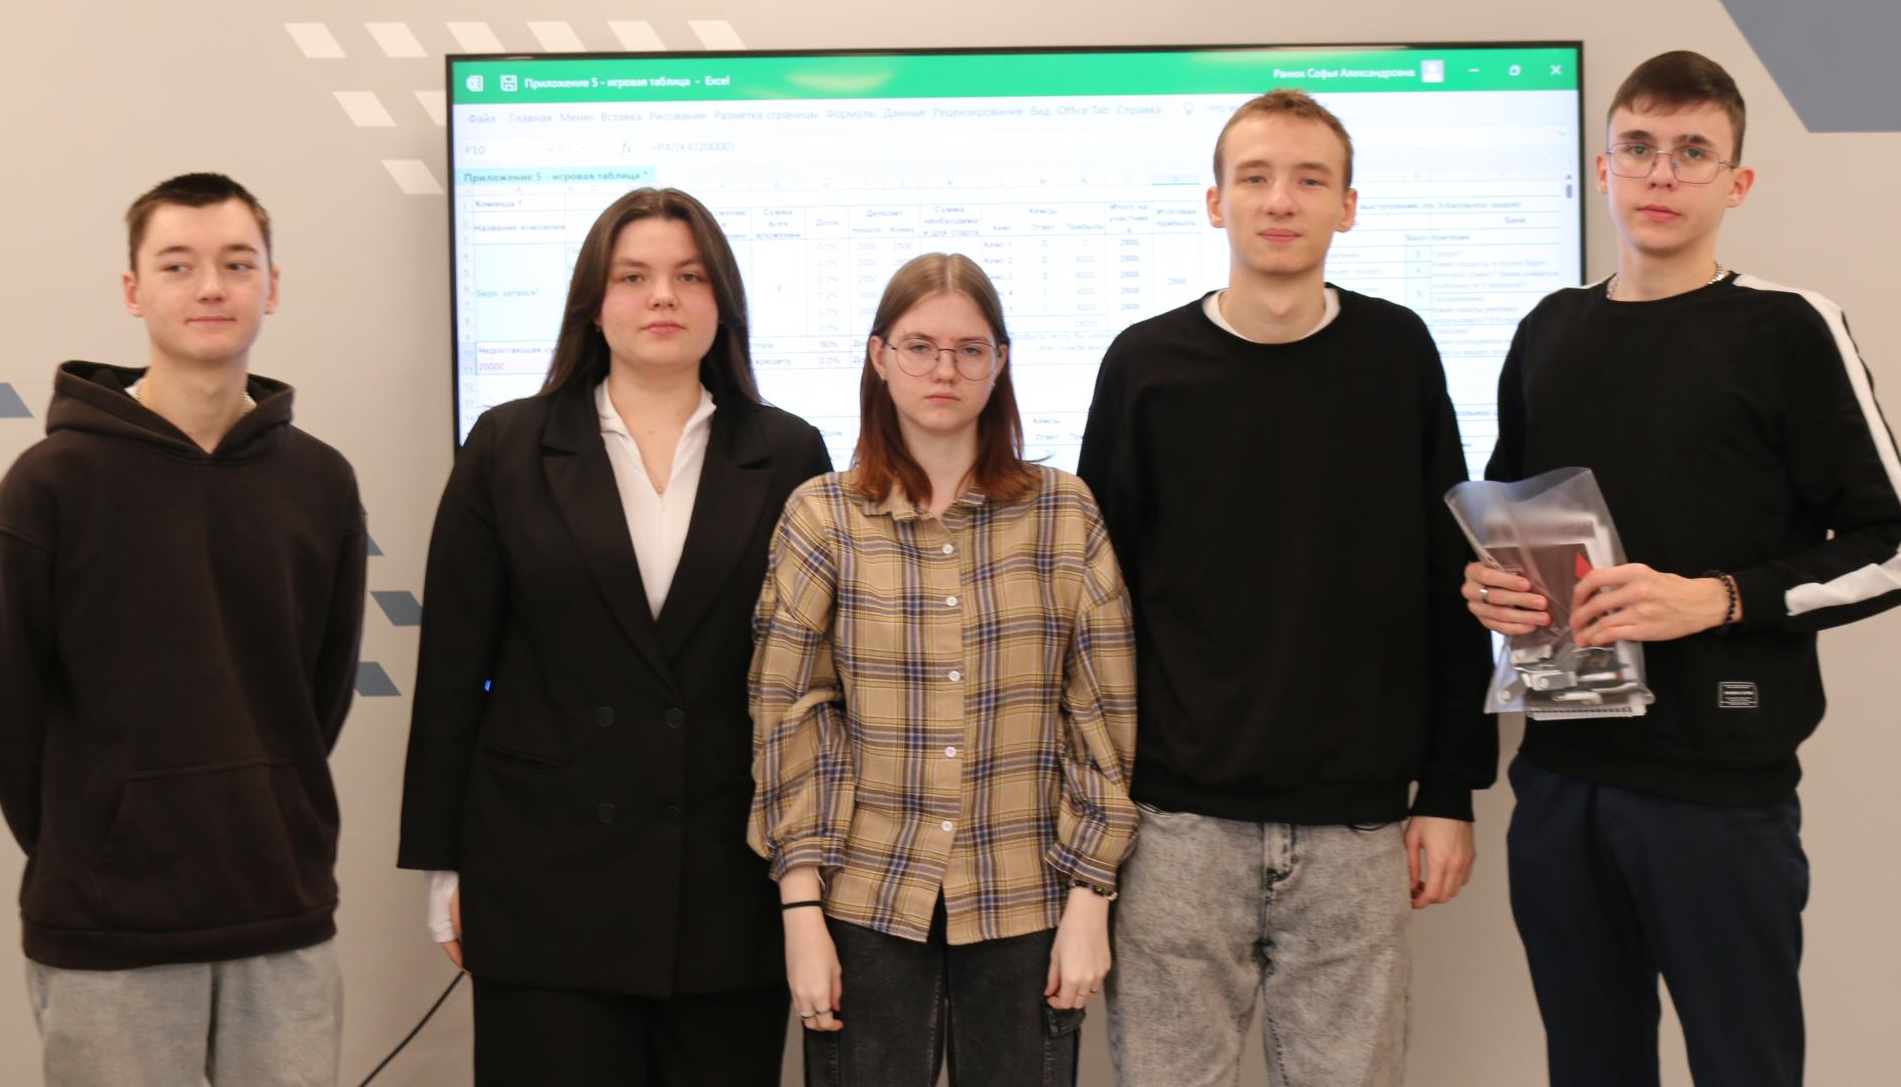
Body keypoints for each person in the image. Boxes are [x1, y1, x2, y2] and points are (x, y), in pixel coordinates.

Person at [1463, 50, 1901, 1087]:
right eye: (1637, 147)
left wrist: (1716, 599)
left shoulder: (1785, 327)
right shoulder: (1548, 328)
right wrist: (1485, 586)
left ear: (1737, 181)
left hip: (1718, 791)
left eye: (1691, 152)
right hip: (1560, 777)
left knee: (1743, 1067)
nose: (1660, 173)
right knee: (1589, 1067)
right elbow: (1509, 520)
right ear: (1602, 169)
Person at [1078, 89, 1496, 1087]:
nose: (1280, 199)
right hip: (1174, 826)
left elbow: (1453, 580)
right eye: (1255, 177)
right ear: (1213, 202)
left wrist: (1449, 790)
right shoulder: (1144, 364)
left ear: (1346, 206)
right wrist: (1097, 815)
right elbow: (1094, 607)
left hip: (1359, 827)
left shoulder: (1398, 352)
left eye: (1309, 179)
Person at [397, 187, 831, 1085]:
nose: (662, 296)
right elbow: (451, 672)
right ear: (594, 302)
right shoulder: (508, 445)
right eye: (633, 276)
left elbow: (814, 684)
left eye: (689, 276)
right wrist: (444, 866)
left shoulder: (789, 452)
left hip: (726, 884)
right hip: (544, 878)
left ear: (723, 303)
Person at [0, 173, 365, 1087]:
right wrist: (94, 830)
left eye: (237, 264)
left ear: (272, 285)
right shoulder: (49, 484)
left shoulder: (321, 482)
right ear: (134, 290)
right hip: (109, 926)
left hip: (281, 911)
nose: (210, 287)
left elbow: (319, 694)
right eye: (178, 265)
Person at [749, 251, 1138, 1086]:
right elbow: (789, 717)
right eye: (920, 346)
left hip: (1027, 898)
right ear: (880, 357)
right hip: (864, 901)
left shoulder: (1064, 513)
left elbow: (1101, 718)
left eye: (969, 349)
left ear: (1000, 363)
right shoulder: (823, 517)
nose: (944, 369)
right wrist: (801, 911)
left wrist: (1090, 898)